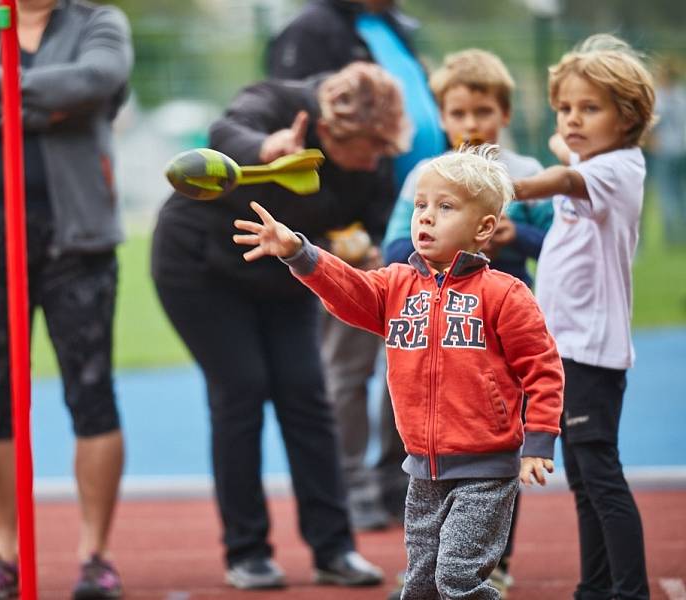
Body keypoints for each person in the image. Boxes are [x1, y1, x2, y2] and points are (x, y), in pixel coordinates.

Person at [233, 145, 564, 599]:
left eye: (445, 207)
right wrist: (299, 252)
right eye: (421, 205)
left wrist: (540, 438)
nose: (425, 217)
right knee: (421, 585)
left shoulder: (505, 294)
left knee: (457, 578)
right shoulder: (395, 285)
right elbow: (348, 288)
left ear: (484, 227)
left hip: (485, 470)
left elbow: (543, 368)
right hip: (422, 471)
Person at [151, 62, 408, 590]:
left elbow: (378, 225)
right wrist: (265, 148)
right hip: (199, 266)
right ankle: (247, 553)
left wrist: (359, 246)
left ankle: (334, 549)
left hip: (287, 274)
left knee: (306, 394)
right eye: (371, 148)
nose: (378, 159)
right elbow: (226, 131)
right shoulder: (280, 101)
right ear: (335, 133)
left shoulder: (374, 161)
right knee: (241, 390)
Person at [0, 1, 133, 598]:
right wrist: (48, 103)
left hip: (79, 241)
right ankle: (5, 552)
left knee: (91, 394)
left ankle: (95, 554)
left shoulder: (100, 22)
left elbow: (98, 80)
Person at [380, 48, 554, 596]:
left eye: (482, 111)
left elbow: (564, 247)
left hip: (499, 330)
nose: (471, 124)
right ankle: (434, 566)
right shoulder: (425, 178)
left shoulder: (527, 178)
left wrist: (515, 236)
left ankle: (489, 559)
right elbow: (393, 245)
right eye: (458, 113)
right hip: (437, 331)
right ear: (443, 117)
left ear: (504, 113)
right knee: (434, 439)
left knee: (498, 449)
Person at [268, 0, 446, 529]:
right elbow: (302, 138)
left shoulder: (393, 27)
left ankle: (396, 479)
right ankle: (351, 486)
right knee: (349, 364)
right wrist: (339, 235)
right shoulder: (313, 29)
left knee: (414, 358)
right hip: (359, 231)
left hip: (422, 226)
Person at [512, 34, 656, 600]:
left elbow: (563, 179)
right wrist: (572, 122)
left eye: (589, 109)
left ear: (629, 119)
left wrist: (508, 186)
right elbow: (567, 148)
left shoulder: (617, 170)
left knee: (600, 476)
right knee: (584, 482)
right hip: (565, 349)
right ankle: (595, 587)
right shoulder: (594, 151)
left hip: (589, 353)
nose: (572, 120)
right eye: (565, 108)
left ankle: (629, 590)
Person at [650, 58, 686, 245]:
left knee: (667, 192)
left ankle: (672, 235)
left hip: (665, 150)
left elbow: (653, 124)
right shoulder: (682, 96)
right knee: (681, 192)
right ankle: (682, 233)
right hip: (682, 148)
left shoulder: (660, 98)